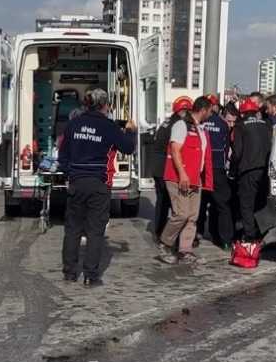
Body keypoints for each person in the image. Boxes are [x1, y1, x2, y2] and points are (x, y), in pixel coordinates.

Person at [57, 87, 138, 287]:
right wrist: (131, 131)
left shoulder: (73, 124)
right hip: (98, 183)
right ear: (104, 105)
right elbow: (128, 148)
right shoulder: (108, 126)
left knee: (73, 229)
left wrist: (71, 173)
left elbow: (63, 156)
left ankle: (69, 272)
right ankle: (90, 275)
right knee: (95, 231)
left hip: (77, 182)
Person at [159, 97, 214, 264]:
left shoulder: (201, 129)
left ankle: (185, 250)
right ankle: (164, 244)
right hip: (179, 178)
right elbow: (175, 150)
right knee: (181, 214)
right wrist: (182, 174)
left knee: (192, 216)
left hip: (195, 179)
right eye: (210, 110)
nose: (211, 113)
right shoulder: (181, 125)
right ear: (203, 110)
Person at [232, 96, 273, 242]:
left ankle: (250, 237)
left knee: (246, 204)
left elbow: (237, 151)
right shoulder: (266, 124)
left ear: (242, 113)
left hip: (248, 170)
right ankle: (263, 234)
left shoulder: (240, 126)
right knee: (261, 203)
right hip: (265, 171)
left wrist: (233, 170)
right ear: (256, 112)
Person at [199, 96, 234, 249]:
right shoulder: (222, 124)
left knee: (200, 203)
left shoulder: (199, 123)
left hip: (201, 169)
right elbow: (226, 148)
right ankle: (225, 240)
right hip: (218, 168)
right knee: (222, 205)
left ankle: (196, 234)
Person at [148, 101, 184, 240]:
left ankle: (160, 231)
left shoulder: (167, 122)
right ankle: (163, 233)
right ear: (182, 111)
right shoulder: (176, 124)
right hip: (164, 166)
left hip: (157, 166)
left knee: (161, 201)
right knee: (166, 202)